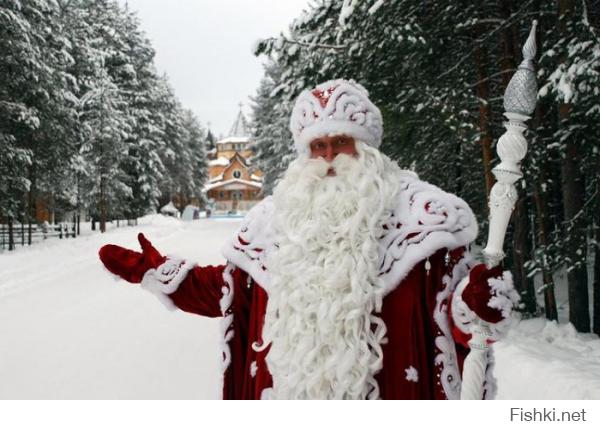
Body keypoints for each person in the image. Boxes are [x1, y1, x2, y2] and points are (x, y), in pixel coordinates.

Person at [99, 79, 518, 400]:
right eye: (318, 145)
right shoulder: (273, 221)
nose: (330, 155)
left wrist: (477, 305)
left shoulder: (425, 223)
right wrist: (155, 271)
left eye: (341, 141)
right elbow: (229, 292)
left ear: (367, 147)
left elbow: (461, 318)